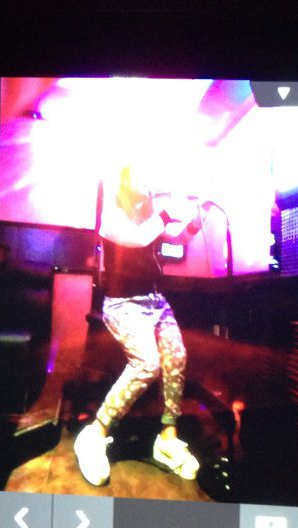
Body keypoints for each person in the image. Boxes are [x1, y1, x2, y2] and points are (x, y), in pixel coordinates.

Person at [73, 164, 200, 486]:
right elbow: (140, 238)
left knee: (176, 358)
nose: (148, 179)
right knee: (147, 364)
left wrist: (194, 220)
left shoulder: (151, 213)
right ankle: (94, 433)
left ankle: (168, 438)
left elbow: (176, 237)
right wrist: (168, 213)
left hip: (156, 301)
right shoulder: (112, 217)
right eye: (140, 174)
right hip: (123, 304)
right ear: (124, 180)